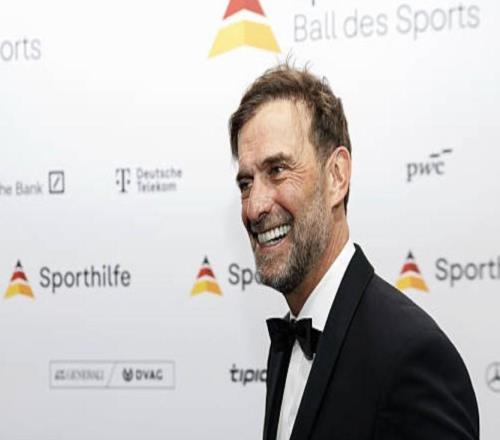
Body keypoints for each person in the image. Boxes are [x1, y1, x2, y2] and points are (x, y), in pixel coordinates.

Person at [228, 63, 479, 440]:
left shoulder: (412, 358)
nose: (254, 206)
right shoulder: (285, 346)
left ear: (336, 177)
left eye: (277, 170)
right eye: (246, 183)